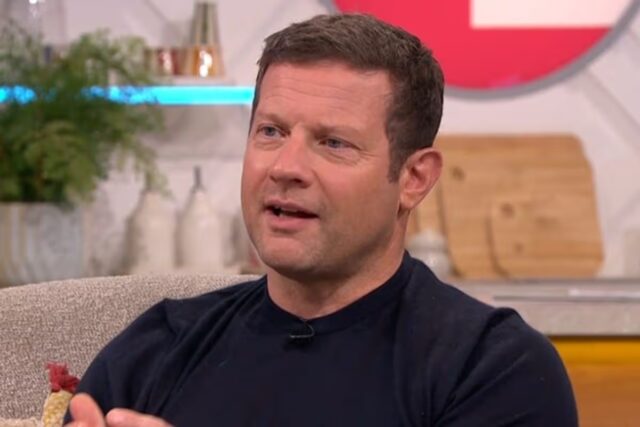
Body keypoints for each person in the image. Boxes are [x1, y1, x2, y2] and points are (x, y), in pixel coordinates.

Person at [65, 13, 578, 427]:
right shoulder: (157, 347)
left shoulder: (492, 368)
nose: (286, 167)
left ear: (413, 178)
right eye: (271, 132)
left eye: (333, 143)